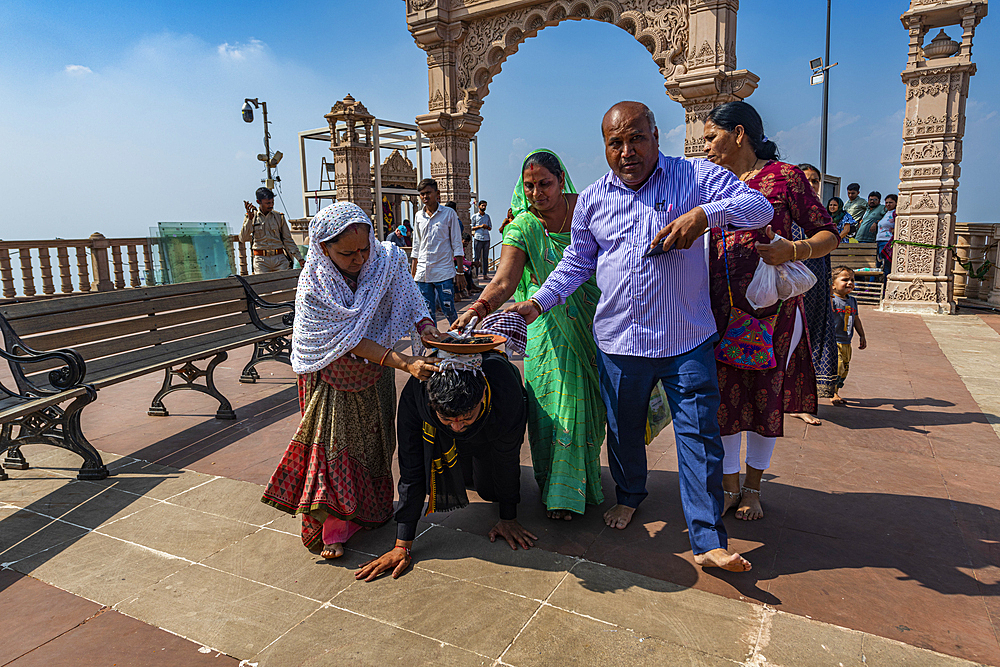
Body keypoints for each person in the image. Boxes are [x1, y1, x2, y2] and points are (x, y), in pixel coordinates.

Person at [508, 101, 774, 572]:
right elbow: (576, 263)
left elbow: (758, 208)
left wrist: (704, 217)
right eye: (616, 142)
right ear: (605, 147)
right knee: (625, 429)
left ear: (656, 135)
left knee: (699, 435)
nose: (627, 151)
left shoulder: (694, 176)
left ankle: (708, 539)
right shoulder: (593, 198)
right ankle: (630, 495)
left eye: (637, 138)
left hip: (685, 338)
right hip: (619, 342)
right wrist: (537, 302)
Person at [261, 202, 442, 559]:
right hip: (332, 375)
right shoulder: (314, 286)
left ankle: (370, 512)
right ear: (323, 248)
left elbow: (410, 299)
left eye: (364, 249)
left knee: (375, 444)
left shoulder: (385, 259)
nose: (360, 259)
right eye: (347, 253)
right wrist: (405, 362)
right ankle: (333, 529)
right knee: (333, 451)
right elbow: (348, 340)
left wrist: (429, 330)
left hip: (375, 373)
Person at [702, 102, 840, 522]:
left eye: (711, 136)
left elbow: (827, 233)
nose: (705, 146)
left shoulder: (785, 177)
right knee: (722, 397)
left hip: (773, 312)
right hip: (717, 307)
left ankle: (752, 489)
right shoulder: (710, 179)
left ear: (738, 133)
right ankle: (727, 487)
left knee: (766, 395)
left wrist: (792, 250)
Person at [452, 149, 605, 521]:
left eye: (545, 184)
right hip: (545, 327)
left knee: (589, 404)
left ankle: (576, 480)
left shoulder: (589, 210)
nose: (537, 193)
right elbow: (504, 280)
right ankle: (560, 491)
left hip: (592, 322)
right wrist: (477, 308)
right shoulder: (523, 226)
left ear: (561, 179)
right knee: (556, 405)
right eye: (530, 186)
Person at [355, 347, 532, 581]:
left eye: (466, 418)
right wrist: (402, 545)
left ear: (481, 397)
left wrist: (508, 518)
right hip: (444, 434)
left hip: (492, 426)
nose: (457, 426)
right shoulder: (416, 395)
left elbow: (507, 457)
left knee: (491, 491)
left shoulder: (505, 390)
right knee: (436, 477)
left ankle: (472, 451)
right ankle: (462, 450)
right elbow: (411, 470)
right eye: (448, 419)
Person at [412, 179, 464, 323]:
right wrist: (413, 274)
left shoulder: (449, 214)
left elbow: (457, 244)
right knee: (427, 312)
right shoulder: (418, 216)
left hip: (444, 271)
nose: (425, 197)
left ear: (437, 193)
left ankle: (458, 337)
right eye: (422, 194)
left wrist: (460, 272)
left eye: (428, 193)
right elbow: (416, 246)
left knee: (447, 308)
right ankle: (434, 345)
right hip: (423, 272)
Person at [240, 187, 304, 273]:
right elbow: (243, 238)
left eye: (272, 202)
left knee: (285, 284)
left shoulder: (279, 217)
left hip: (279, 259)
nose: (271, 205)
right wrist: (249, 219)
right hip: (261, 261)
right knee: (263, 285)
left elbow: (288, 240)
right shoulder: (252, 217)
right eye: (267, 203)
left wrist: (299, 258)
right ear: (259, 202)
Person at [830, 266, 867, 406]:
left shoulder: (852, 301)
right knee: (838, 367)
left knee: (845, 369)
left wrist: (862, 335)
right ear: (833, 285)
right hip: (834, 341)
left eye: (852, 280)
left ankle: (836, 391)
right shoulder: (832, 300)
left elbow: (856, 319)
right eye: (845, 279)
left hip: (847, 342)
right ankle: (832, 393)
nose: (850, 282)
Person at [875, 194, 897, 275]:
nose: (888, 204)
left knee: (886, 266)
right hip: (880, 240)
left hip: (887, 242)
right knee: (879, 264)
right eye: (886, 202)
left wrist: (896, 230)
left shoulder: (895, 213)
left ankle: (885, 286)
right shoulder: (886, 213)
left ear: (896, 203)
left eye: (890, 202)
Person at [471, 200, 493, 279]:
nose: (484, 207)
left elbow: (490, 227)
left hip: (486, 238)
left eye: (485, 206)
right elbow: (471, 227)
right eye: (482, 205)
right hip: (478, 237)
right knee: (477, 256)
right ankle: (476, 274)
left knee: (485, 257)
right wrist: (480, 226)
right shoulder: (475, 216)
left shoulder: (487, 216)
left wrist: (486, 227)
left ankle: (485, 274)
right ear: (479, 206)